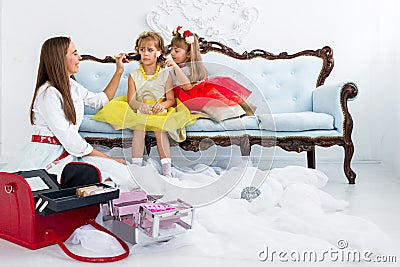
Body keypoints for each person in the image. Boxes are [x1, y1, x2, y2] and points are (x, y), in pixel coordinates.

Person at [2, 36, 138, 191]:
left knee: (125, 176)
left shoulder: (72, 85)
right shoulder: (48, 94)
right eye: (74, 53)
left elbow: (101, 101)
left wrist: (119, 71)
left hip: (70, 152)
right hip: (50, 154)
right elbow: (70, 139)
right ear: (60, 59)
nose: (79, 57)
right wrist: (109, 158)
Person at [92, 31, 194, 177]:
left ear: (159, 52)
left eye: (150, 50)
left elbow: (170, 100)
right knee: (139, 128)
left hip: (159, 110)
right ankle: (137, 167)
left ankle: (167, 169)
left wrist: (162, 106)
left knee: (160, 130)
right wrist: (140, 106)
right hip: (142, 110)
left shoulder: (165, 74)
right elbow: (131, 100)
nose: (145, 53)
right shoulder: (134, 75)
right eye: (142, 49)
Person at [165, 26, 254, 119]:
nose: (172, 53)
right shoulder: (172, 70)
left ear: (188, 54)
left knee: (217, 92)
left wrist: (175, 67)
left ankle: (241, 108)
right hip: (182, 99)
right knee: (209, 102)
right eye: (171, 49)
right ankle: (235, 110)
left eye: (176, 51)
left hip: (192, 95)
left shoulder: (187, 68)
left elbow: (187, 87)